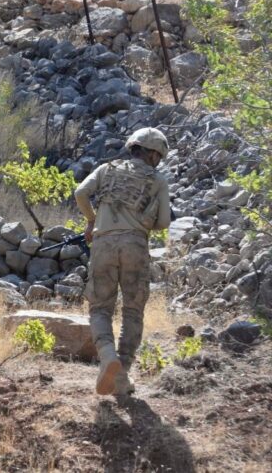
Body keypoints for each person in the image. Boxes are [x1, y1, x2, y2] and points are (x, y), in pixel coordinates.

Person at [74, 127, 172, 396]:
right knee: (132, 311)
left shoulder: (107, 169)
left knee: (100, 308)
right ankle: (122, 373)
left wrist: (92, 221)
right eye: (159, 157)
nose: (159, 161)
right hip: (135, 245)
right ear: (152, 154)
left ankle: (108, 356)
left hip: (103, 243)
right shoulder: (158, 180)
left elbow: (80, 193)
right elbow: (163, 223)